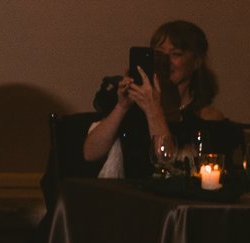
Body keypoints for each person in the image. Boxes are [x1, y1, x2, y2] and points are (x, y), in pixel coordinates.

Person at [80, 19, 225, 178]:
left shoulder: (206, 117)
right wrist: (122, 106)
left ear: (196, 62)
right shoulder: (134, 107)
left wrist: (153, 110)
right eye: (160, 53)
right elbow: (90, 153)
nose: (166, 61)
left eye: (176, 54)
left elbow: (170, 166)